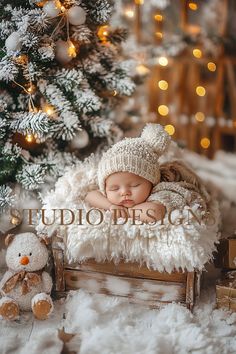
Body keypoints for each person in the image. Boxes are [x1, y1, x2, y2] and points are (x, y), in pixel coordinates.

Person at [85, 124, 170, 223]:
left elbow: (155, 213)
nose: (124, 192)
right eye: (114, 188)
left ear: (152, 182)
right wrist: (110, 206)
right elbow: (89, 196)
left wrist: (127, 212)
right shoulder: (107, 193)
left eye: (135, 185)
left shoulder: (157, 193)